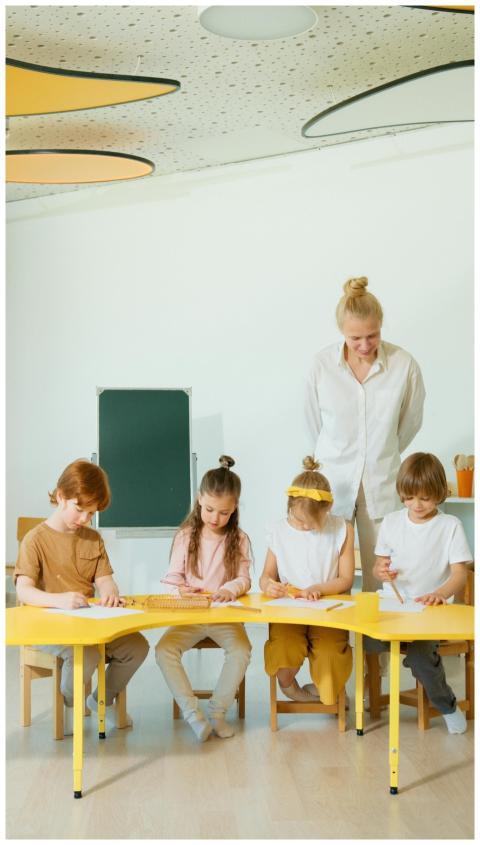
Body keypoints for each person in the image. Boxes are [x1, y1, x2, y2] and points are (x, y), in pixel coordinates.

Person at [305, 276, 426, 592]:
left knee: (383, 572)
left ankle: (378, 644)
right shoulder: (321, 366)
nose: (364, 345)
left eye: (372, 335)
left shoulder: (404, 366)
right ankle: (337, 642)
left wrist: (382, 449)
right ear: (341, 331)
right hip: (332, 483)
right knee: (331, 572)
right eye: (354, 337)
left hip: (382, 481)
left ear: (381, 325)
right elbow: (312, 423)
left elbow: (410, 422)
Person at [14, 459, 149, 735]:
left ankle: (101, 701)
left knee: (137, 647)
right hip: (51, 628)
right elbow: (23, 590)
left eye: (92, 513)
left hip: (91, 623)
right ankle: (71, 699)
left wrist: (110, 591)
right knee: (85, 653)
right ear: (61, 497)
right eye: (80, 509)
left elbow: (105, 579)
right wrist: (59, 599)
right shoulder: (35, 540)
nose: (85, 519)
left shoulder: (93, 539)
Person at [365, 452, 472, 733]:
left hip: (433, 611)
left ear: (439, 494)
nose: (417, 505)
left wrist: (440, 593)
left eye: (425, 498)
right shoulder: (391, 522)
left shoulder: (450, 526)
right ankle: (369, 700)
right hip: (395, 605)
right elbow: (379, 565)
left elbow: (460, 573)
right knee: (366, 639)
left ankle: (447, 706)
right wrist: (382, 571)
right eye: (410, 497)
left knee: (421, 655)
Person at [155, 456, 252, 742]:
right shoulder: (186, 536)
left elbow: (245, 579)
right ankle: (192, 714)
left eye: (223, 512)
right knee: (163, 651)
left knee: (241, 650)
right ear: (199, 500)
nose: (214, 517)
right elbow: (172, 578)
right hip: (190, 615)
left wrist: (230, 589)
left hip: (224, 615)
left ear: (234, 507)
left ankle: (217, 712)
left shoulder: (240, 539)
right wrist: (181, 592)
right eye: (209, 509)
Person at [260, 457, 354, 706]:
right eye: (297, 519)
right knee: (284, 649)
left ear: (328, 508)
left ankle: (330, 692)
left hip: (329, 607)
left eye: (308, 523)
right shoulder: (279, 530)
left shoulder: (341, 528)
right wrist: (268, 585)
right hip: (290, 609)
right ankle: (293, 689)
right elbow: (265, 575)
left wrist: (318, 588)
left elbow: (345, 579)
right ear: (289, 506)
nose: (301, 527)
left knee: (330, 653)